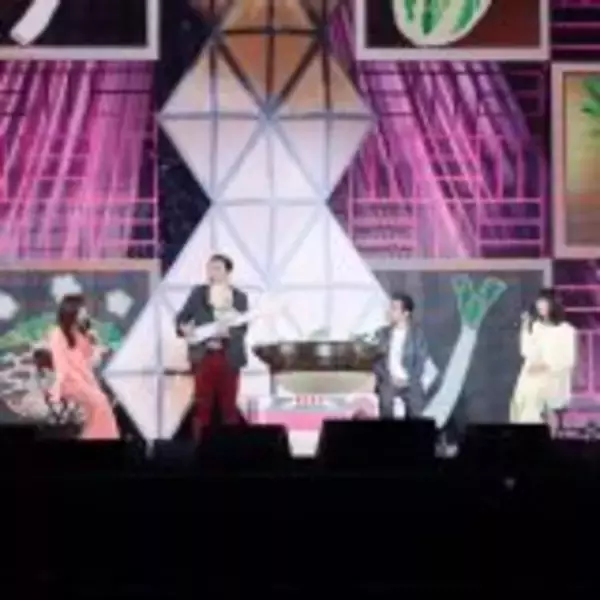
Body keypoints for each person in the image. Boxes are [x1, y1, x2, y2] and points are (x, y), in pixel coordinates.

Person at [175, 254, 249, 438]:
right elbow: (182, 318)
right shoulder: (198, 293)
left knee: (229, 407)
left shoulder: (239, 297)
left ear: (228, 272)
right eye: (209, 268)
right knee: (202, 404)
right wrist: (184, 328)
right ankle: (199, 446)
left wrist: (228, 332)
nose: (212, 273)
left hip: (229, 356)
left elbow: (242, 328)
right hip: (204, 355)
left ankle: (229, 447)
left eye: (217, 268)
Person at [47, 294, 119, 440]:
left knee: (101, 406)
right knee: (100, 403)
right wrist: (78, 383)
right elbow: (62, 367)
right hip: (69, 381)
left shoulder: (80, 333)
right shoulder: (57, 334)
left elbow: (89, 360)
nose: (85, 313)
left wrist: (93, 341)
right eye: (82, 310)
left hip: (85, 379)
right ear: (72, 311)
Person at [510, 288, 576, 430]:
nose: (540, 305)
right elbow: (526, 351)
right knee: (525, 394)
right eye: (539, 302)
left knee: (536, 396)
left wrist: (546, 366)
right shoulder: (536, 327)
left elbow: (568, 359)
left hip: (553, 377)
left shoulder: (566, 330)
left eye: (544, 302)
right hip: (532, 376)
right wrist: (525, 328)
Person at [372, 293, 429, 419]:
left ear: (406, 313)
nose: (390, 311)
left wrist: (408, 379)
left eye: (394, 308)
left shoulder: (417, 335)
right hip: (388, 380)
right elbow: (377, 362)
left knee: (416, 407)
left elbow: (420, 362)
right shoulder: (382, 333)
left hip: (411, 380)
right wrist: (389, 377)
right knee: (385, 402)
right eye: (390, 307)